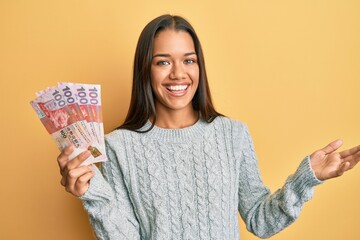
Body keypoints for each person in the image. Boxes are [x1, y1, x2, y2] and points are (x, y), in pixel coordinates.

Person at [57, 14, 360, 239]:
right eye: (163, 62)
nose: (178, 74)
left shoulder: (232, 135)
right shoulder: (117, 146)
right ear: (145, 70)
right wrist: (93, 193)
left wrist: (306, 178)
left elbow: (260, 220)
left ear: (199, 66)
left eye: (188, 60)